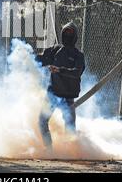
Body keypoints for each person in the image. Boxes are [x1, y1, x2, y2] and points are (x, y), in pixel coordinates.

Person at [36, 21, 86, 149]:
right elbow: (41, 59)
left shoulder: (78, 56)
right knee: (42, 121)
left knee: (70, 128)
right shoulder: (55, 50)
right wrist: (26, 56)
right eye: (66, 33)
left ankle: (71, 153)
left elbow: (77, 73)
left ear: (75, 37)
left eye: (70, 34)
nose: (68, 36)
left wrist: (60, 70)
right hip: (52, 93)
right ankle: (49, 150)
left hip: (68, 96)